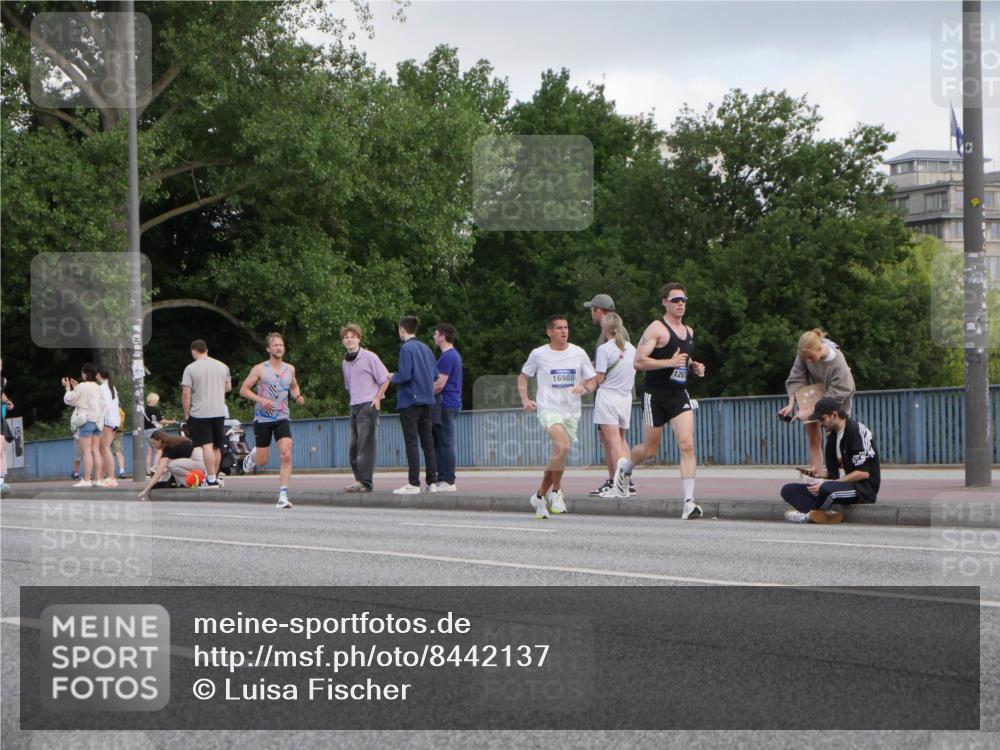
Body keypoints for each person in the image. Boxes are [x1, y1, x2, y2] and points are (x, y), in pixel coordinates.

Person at [613, 283, 706, 519]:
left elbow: (682, 356)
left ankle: (688, 503)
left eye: (684, 300)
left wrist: (693, 366)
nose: (680, 304)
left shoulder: (689, 331)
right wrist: (669, 364)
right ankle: (625, 468)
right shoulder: (657, 328)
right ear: (664, 302)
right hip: (655, 396)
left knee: (687, 445)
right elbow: (638, 362)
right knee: (650, 451)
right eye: (675, 300)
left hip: (679, 394)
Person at [518, 314, 597, 519]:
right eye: (559, 328)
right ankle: (557, 491)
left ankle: (540, 495)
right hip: (548, 408)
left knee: (559, 454)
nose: (564, 331)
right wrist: (526, 399)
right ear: (549, 332)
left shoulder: (578, 353)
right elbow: (523, 376)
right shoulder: (539, 354)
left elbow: (592, 381)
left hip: (571, 411)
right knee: (563, 446)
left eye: (566, 327)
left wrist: (584, 387)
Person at [780, 396, 880, 524]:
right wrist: (819, 475)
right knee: (788, 489)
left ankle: (810, 513)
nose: (820, 424)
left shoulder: (855, 431)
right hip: (839, 485)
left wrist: (832, 483)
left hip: (862, 489)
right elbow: (834, 473)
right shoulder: (832, 436)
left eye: (822, 419)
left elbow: (863, 473)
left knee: (827, 489)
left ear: (834, 415)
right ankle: (822, 513)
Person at [239, 332, 305, 509]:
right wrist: (261, 400)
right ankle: (252, 456)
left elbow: (293, 386)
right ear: (268, 349)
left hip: (282, 417)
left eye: (281, 345)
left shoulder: (289, 369)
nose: (278, 347)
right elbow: (243, 390)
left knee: (286, 453)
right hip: (263, 419)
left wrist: (297, 396)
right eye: (275, 345)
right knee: (262, 461)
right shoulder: (260, 369)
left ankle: (283, 495)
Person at [779, 328, 857, 476]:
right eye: (805, 357)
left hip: (836, 397)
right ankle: (817, 474)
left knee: (834, 437)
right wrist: (791, 404)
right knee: (814, 437)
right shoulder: (804, 352)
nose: (808, 361)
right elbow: (796, 377)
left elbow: (841, 391)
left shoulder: (838, 362)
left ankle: (840, 475)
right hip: (813, 393)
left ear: (819, 348)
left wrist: (810, 410)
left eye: (811, 357)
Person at [388, 316, 439, 494]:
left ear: (402, 329)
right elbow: (435, 376)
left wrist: (392, 377)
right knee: (428, 442)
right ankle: (432, 482)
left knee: (411, 442)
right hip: (428, 400)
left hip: (410, 400)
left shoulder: (406, 348)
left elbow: (405, 375)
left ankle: (414, 483)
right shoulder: (426, 348)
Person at [340, 324, 390, 493]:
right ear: (343, 341)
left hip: (368, 405)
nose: (349, 339)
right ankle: (359, 480)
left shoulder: (370, 357)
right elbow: (349, 386)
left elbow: (385, 378)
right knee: (353, 447)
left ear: (359, 339)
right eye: (346, 337)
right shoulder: (345, 363)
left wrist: (377, 398)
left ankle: (366, 483)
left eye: (352, 336)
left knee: (365, 446)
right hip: (354, 405)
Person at [592, 313, 636, 499]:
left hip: (608, 397)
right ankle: (626, 481)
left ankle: (619, 484)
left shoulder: (604, 349)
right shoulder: (632, 348)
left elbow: (599, 378)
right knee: (621, 440)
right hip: (625, 398)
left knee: (612, 442)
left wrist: (586, 376)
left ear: (605, 329)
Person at [181, 339, 232, 489]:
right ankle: (214, 477)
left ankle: (210, 479)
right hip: (219, 411)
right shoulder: (222, 366)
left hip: (200, 412)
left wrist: (186, 413)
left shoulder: (190, 369)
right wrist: (215, 391)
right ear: (207, 350)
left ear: (193, 351)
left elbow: (186, 393)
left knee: (207, 446)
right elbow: (228, 387)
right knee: (217, 446)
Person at [62, 363, 104, 488]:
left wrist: (68, 388)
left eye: (82, 372)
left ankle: (86, 479)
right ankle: (98, 479)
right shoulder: (98, 387)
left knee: (86, 451)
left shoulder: (82, 386)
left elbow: (69, 400)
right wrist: (77, 388)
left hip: (86, 420)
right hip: (98, 421)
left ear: (85, 373)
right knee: (96, 450)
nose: (81, 374)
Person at [432, 323, 463, 492]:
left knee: (446, 442)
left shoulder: (448, 357)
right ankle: (442, 478)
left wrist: (422, 393)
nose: (434, 337)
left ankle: (449, 481)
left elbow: (440, 384)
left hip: (446, 403)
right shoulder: (452, 356)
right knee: (442, 442)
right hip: (449, 403)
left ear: (443, 336)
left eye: (436, 334)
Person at [138, 430, 207, 501]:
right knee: (172, 464)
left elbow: (158, 474)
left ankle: (197, 478)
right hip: (203, 461)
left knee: (170, 465)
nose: (153, 446)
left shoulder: (167, 449)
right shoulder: (175, 441)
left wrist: (146, 490)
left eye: (154, 443)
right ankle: (194, 479)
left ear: (160, 440)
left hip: (199, 462)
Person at [94, 367, 120, 487]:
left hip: (106, 421)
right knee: (104, 449)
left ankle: (111, 477)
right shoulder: (111, 387)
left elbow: (103, 406)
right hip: (114, 422)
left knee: (104, 449)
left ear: (99, 375)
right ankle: (103, 477)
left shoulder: (102, 388)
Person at [143, 393, 176, 476]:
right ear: (153, 400)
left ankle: (148, 472)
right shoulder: (155, 409)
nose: (157, 401)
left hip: (145, 432)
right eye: (157, 399)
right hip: (154, 432)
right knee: (159, 450)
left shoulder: (143, 409)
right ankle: (155, 469)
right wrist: (171, 422)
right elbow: (161, 421)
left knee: (149, 452)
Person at [1, 360, 12, 494]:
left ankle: (1, 483)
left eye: (0, 365)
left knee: (0, 451)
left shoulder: (2, 381)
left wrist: (8, 402)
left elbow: (2, 395)